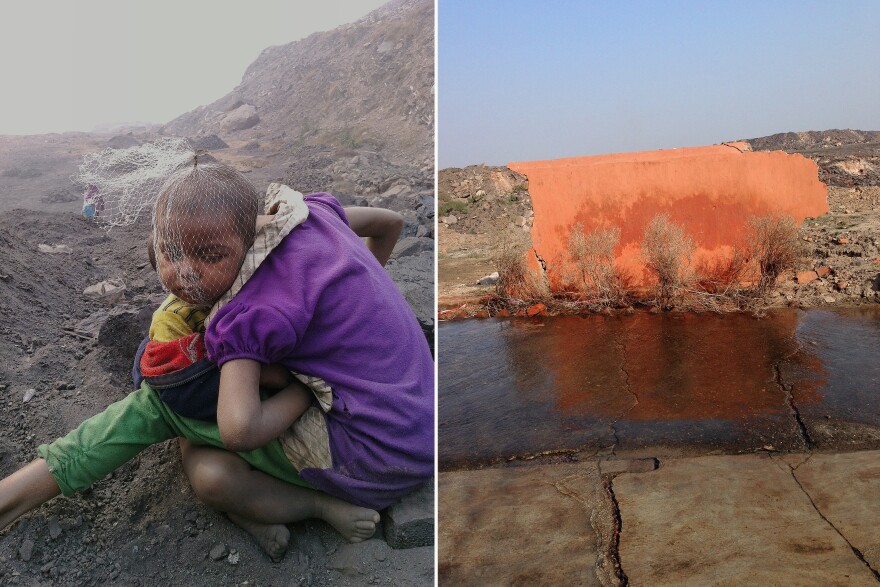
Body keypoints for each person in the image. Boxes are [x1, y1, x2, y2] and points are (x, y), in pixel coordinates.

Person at [0, 163, 434, 561]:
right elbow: (390, 222)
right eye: (171, 252)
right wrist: (347, 297)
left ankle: (15, 496)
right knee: (208, 459)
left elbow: (239, 430)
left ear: (247, 241)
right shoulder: (311, 213)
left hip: (375, 456)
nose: (185, 274)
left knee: (160, 407)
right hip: (417, 417)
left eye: (209, 256)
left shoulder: (248, 316)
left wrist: (303, 391)